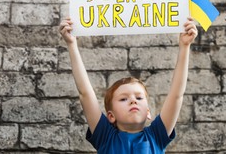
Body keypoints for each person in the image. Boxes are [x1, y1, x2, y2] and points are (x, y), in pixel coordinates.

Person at [59, 16, 198, 153]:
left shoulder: (157, 136)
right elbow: (85, 93)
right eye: (123, 99)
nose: (133, 101)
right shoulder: (105, 137)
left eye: (139, 98)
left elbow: (176, 95)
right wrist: (72, 45)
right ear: (111, 116)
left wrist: (185, 46)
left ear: (148, 112)